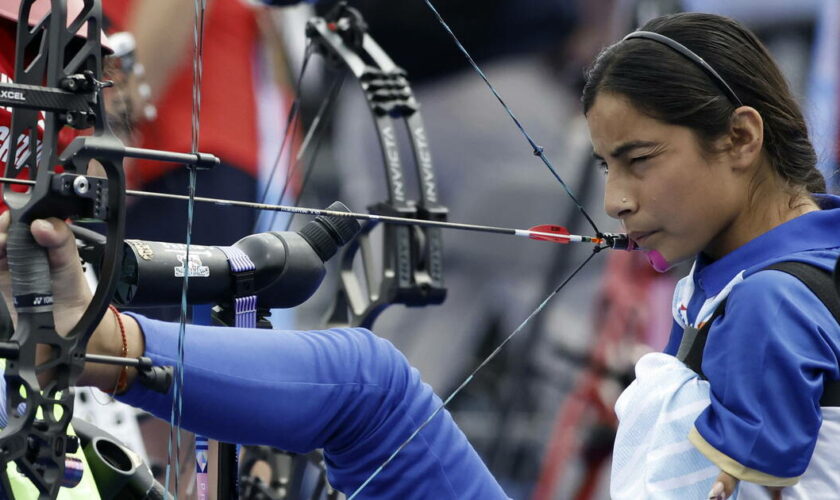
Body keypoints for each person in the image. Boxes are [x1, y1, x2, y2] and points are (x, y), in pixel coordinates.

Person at [1, 10, 839, 500]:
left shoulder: (772, 300)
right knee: (364, 383)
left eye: (640, 161)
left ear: (740, 138)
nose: (614, 199)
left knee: (365, 383)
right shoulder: (776, 261)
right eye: (610, 164)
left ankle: (94, 335)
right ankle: (95, 336)